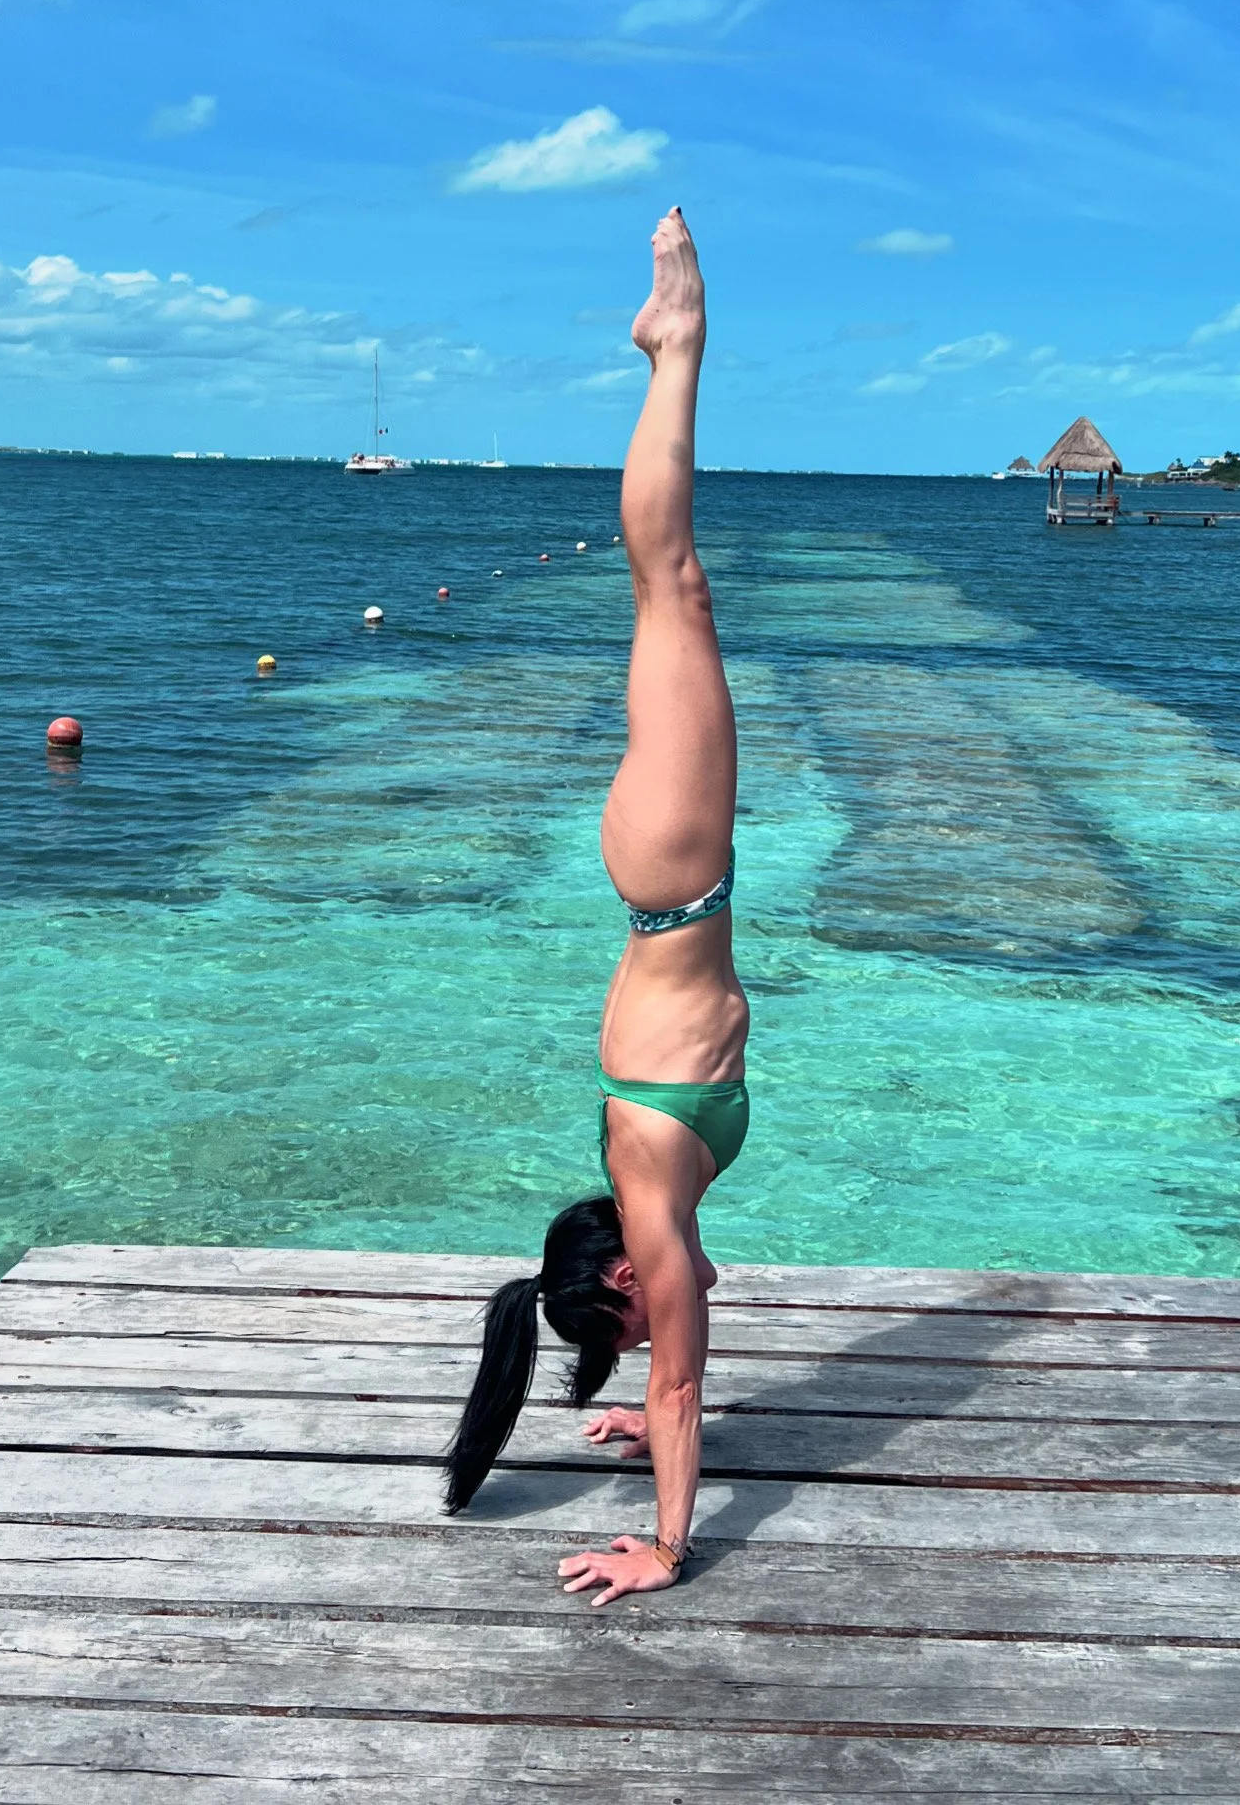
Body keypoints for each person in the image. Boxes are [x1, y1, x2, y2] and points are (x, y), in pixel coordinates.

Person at [443, 208, 746, 1607]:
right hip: (664, 883)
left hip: (673, 872)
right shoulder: (639, 1211)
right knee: (663, 594)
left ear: (616, 1280)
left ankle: (670, 343)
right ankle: (667, 349)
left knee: (668, 581)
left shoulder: (647, 1209)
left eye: (617, 1336)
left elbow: (681, 1371)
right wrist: (643, 1444)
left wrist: (664, 1535)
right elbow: (673, 1375)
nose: (645, 1341)